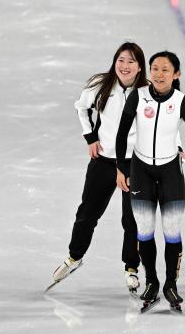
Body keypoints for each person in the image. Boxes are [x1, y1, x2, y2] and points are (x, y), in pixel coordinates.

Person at [115, 50, 185, 310]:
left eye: (165, 69)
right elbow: (122, 135)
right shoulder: (138, 96)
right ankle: (152, 282)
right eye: (155, 68)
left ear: (176, 75)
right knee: (144, 230)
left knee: (171, 231)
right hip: (141, 169)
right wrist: (122, 167)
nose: (158, 74)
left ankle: (171, 284)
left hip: (170, 173)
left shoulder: (182, 102)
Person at [52, 42, 148, 294]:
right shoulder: (100, 86)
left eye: (130, 62)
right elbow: (81, 108)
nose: (124, 66)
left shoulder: (148, 94)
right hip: (104, 162)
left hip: (134, 164)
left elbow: (163, 124)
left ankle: (131, 268)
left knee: (132, 219)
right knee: (87, 213)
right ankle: (74, 257)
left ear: (139, 67)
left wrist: (176, 147)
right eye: (120, 60)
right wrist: (89, 137)